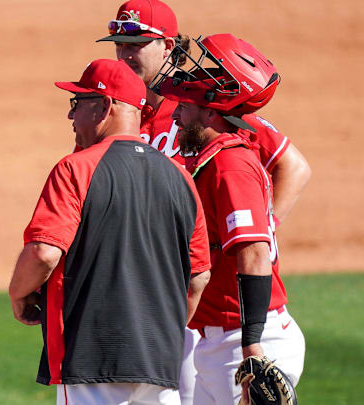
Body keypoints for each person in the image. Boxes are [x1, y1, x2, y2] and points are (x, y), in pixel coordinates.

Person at [95, 1, 311, 401]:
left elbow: (293, 167)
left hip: (220, 317)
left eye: (138, 44)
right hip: (177, 309)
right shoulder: (125, 114)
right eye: (120, 45)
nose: (126, 56)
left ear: (168, 46)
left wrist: (250, 236)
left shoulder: (206, 107)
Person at [8, 58, 211, 405]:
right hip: (160, 365)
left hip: (90, 359)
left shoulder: (76, 168)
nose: (70, 117)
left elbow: (44, 252)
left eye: (77, 104)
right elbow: (198, 277)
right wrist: (162, 333)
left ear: (104, 106)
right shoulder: (179, 177)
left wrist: (18, 293)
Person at [158, 33, 306, 405]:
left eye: (185, 106)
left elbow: (254, 252)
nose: (175, 115)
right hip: (218, 341)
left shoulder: (230, 165)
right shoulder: (214, 158)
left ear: (211, 113)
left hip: (242, 343)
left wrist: (252, 346)